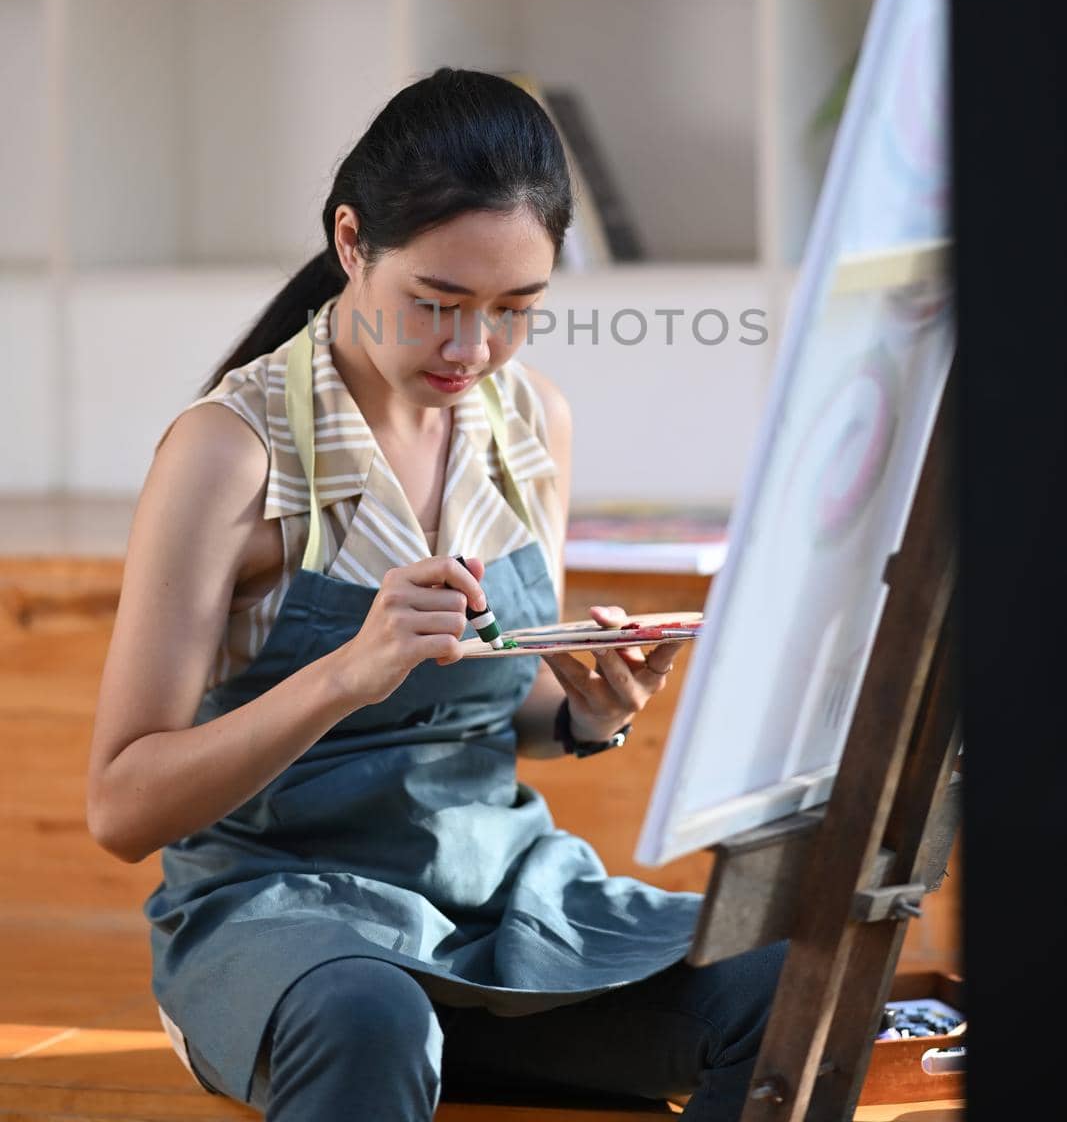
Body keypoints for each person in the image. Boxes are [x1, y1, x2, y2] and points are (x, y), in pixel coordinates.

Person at [87, 67, 785, 1120]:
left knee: (783, 984)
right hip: (289, 934)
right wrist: (344, 674)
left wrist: (588, 711)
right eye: (437, 304)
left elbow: (488, 711)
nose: (473, 350)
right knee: (373, 1018)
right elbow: (122, 806)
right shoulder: (229, 454)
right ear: (351, 242)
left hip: (500, 907)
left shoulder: (529, 421)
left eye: (515, 310)